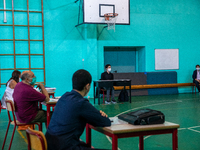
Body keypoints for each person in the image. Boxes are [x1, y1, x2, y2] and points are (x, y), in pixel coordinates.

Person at [45, 69, 111, 150]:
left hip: (51, 145)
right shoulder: (81, 103)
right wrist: (101, 115)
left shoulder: (64, 96)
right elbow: (105, 122)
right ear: (87, 86)